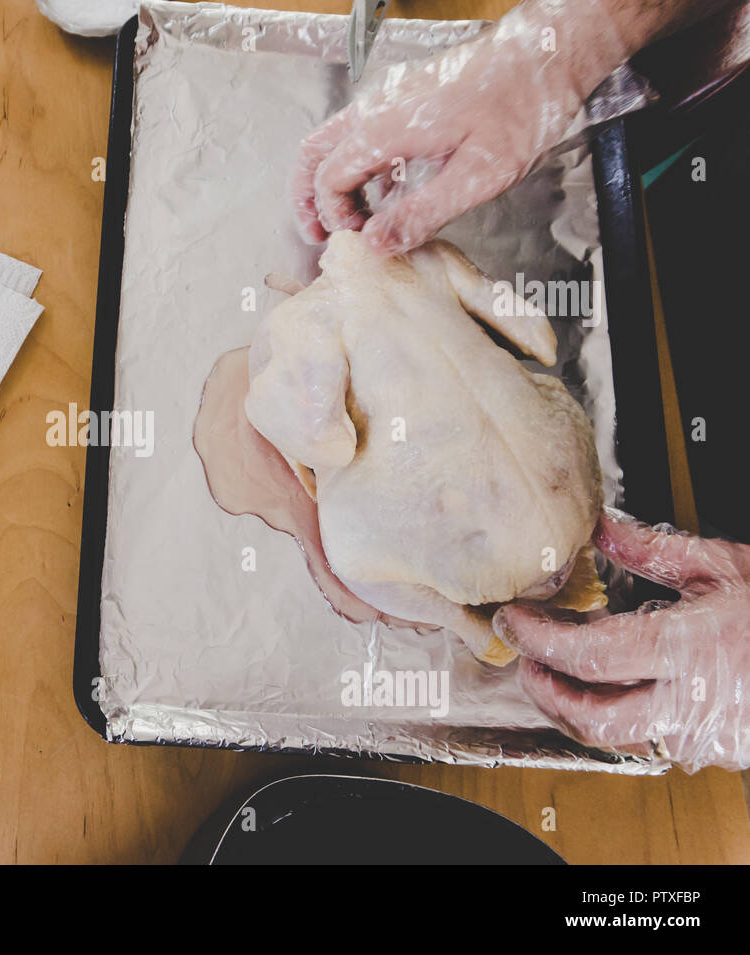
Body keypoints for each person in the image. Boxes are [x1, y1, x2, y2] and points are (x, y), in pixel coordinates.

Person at [292, 0, 747, 771]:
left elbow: (310, 414)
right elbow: (519, 324)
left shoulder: (326, 314)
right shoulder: (396, 276)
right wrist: (575, 38)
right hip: (703, 192)